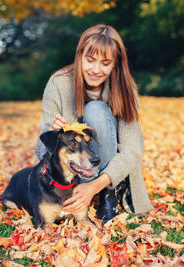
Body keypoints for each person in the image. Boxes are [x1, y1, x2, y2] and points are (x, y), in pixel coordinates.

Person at [35, 24, 153, 222]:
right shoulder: (58, 83)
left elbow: (132, 150)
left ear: (115, 64)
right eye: (90, 60)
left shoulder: (125, 88)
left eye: (105, 63)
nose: (96, 70)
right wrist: (51, 134)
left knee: (95, 110)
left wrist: (94, 186)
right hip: (71, 176)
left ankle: (108, 198)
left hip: (107, 176)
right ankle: (81, 196)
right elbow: (40, 151)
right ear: (79, 56)